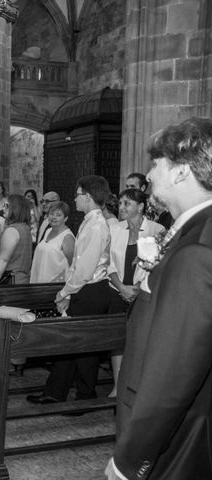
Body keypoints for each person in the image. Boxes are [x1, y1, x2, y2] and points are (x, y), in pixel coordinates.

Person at [105, 118, 212, 480]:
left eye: (156, 165)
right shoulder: (196, 231)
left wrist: (130, 460)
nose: (148, 175)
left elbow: (174, 371)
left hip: (178, 439)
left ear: (182, 172)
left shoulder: (197, 249)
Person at [27, 175, 111, 405]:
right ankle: (55, 391)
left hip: (92, 290)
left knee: (84, 348)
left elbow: (84, 268)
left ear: (89, 197)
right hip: (83, 289)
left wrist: (65, 292)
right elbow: (77, 265)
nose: (75, 198)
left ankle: (85, 396)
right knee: (70, 344)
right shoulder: (89, 221)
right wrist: (68, 291)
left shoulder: (96, 225)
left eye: (78, 194)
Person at [106, 189, 164, 398]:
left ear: (140, 207)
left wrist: (137, 288)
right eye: (120, 203)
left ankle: (135, 387)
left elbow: (158, 265)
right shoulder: (114, 228)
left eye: (127, 203)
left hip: (142, 294)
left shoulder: (156, 229)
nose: (121, 207)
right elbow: (107, 261)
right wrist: (121, 286)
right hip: (116, 290)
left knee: (138, 340)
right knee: (117, 341)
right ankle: (117, 385)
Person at [0, 194, 33, 285]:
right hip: (20, 280)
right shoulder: (25, 228)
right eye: (3, 205)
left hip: (6, 282)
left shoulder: (12, 230)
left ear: (16, 208)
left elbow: (3, 260)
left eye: (6, 206)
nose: (3, 208)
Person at [30, 201, 75, 283]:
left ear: (65, 218)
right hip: (39, 283)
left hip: (55, 287)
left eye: (58, 215)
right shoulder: (48, 231)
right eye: (51, 214)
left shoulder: (68, 238)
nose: (54, 217)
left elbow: (73, 266)